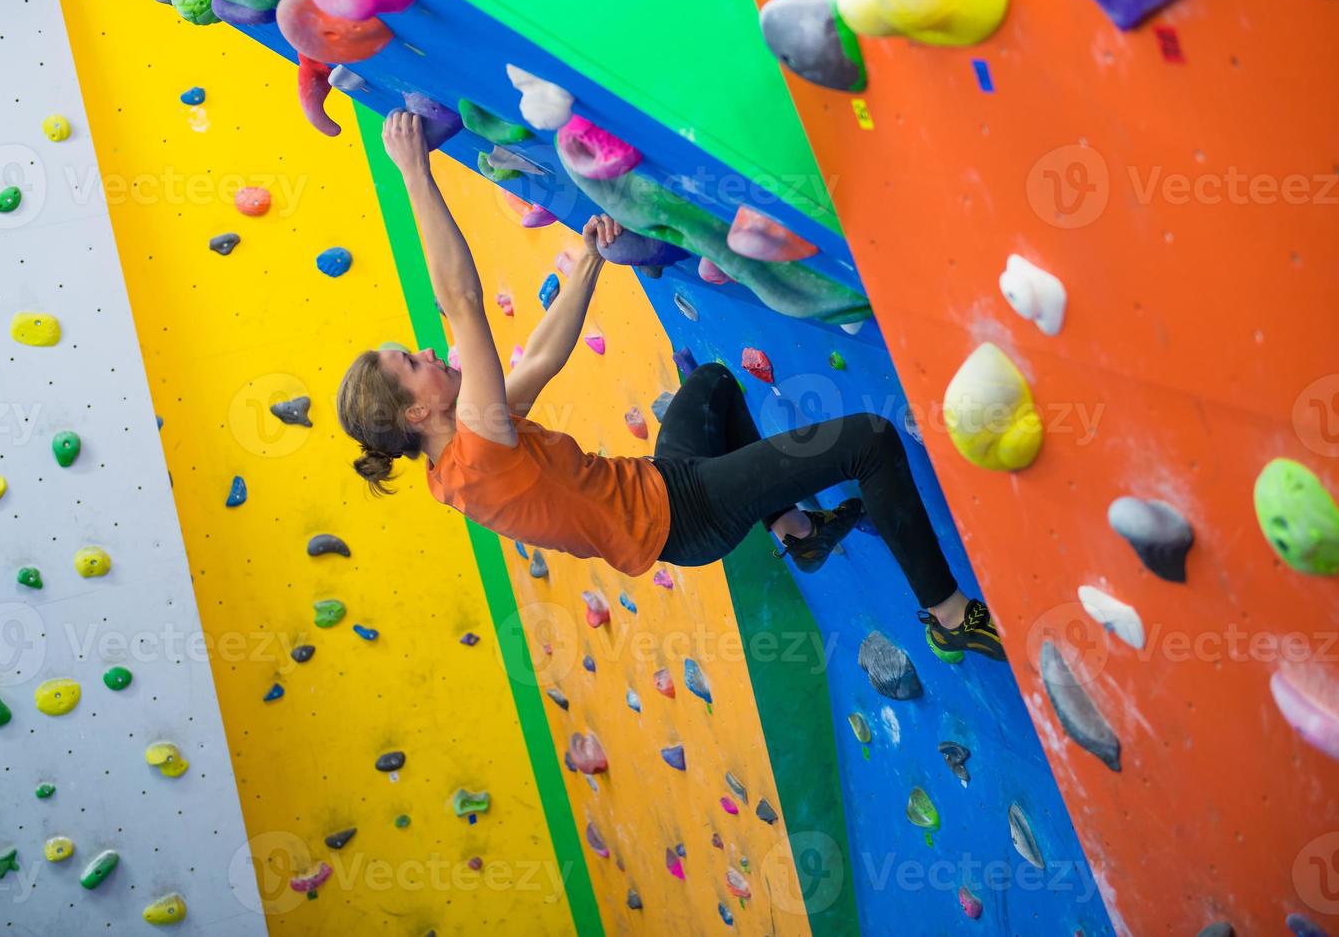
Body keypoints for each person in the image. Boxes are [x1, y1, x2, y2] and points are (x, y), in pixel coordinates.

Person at [335, 110, 1004, 661]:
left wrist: (590, 263)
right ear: (418, 413)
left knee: (712, 385)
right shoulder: (478, 455)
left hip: (660, 484)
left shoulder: (465, 452)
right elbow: (462, 302)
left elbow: (537, 361)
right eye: (412, 363)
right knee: (870, 439)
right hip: (686, 518)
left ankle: (799, 532)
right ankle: (948, 615)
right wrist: (415, 172)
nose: (427, 350)